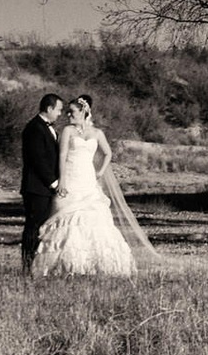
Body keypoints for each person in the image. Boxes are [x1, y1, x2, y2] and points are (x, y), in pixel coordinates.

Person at [30, 93, 140, 277]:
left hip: (88, 179)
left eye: (72, 111)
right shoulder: (67, 131)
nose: (68, 115)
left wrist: (99, 171)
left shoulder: (97, 133)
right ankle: (66, 266)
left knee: (94, 218)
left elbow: (108, 154)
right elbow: (62, 156)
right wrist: (62, 180)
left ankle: (95, 265)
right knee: (69, 218)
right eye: (66, 112)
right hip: (71, 178)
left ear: (83, 112)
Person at [18, 92, 64, 271]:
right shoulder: (34, 128)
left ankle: (37, 264)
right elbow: (38, 160)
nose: (60, 114)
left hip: (43, 188)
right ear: (49, 108)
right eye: (58, 110)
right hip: (36, 187)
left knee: (41, 226)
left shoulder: (47, 128)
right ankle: (27, 266)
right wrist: (54, 183)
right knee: (33, 226)